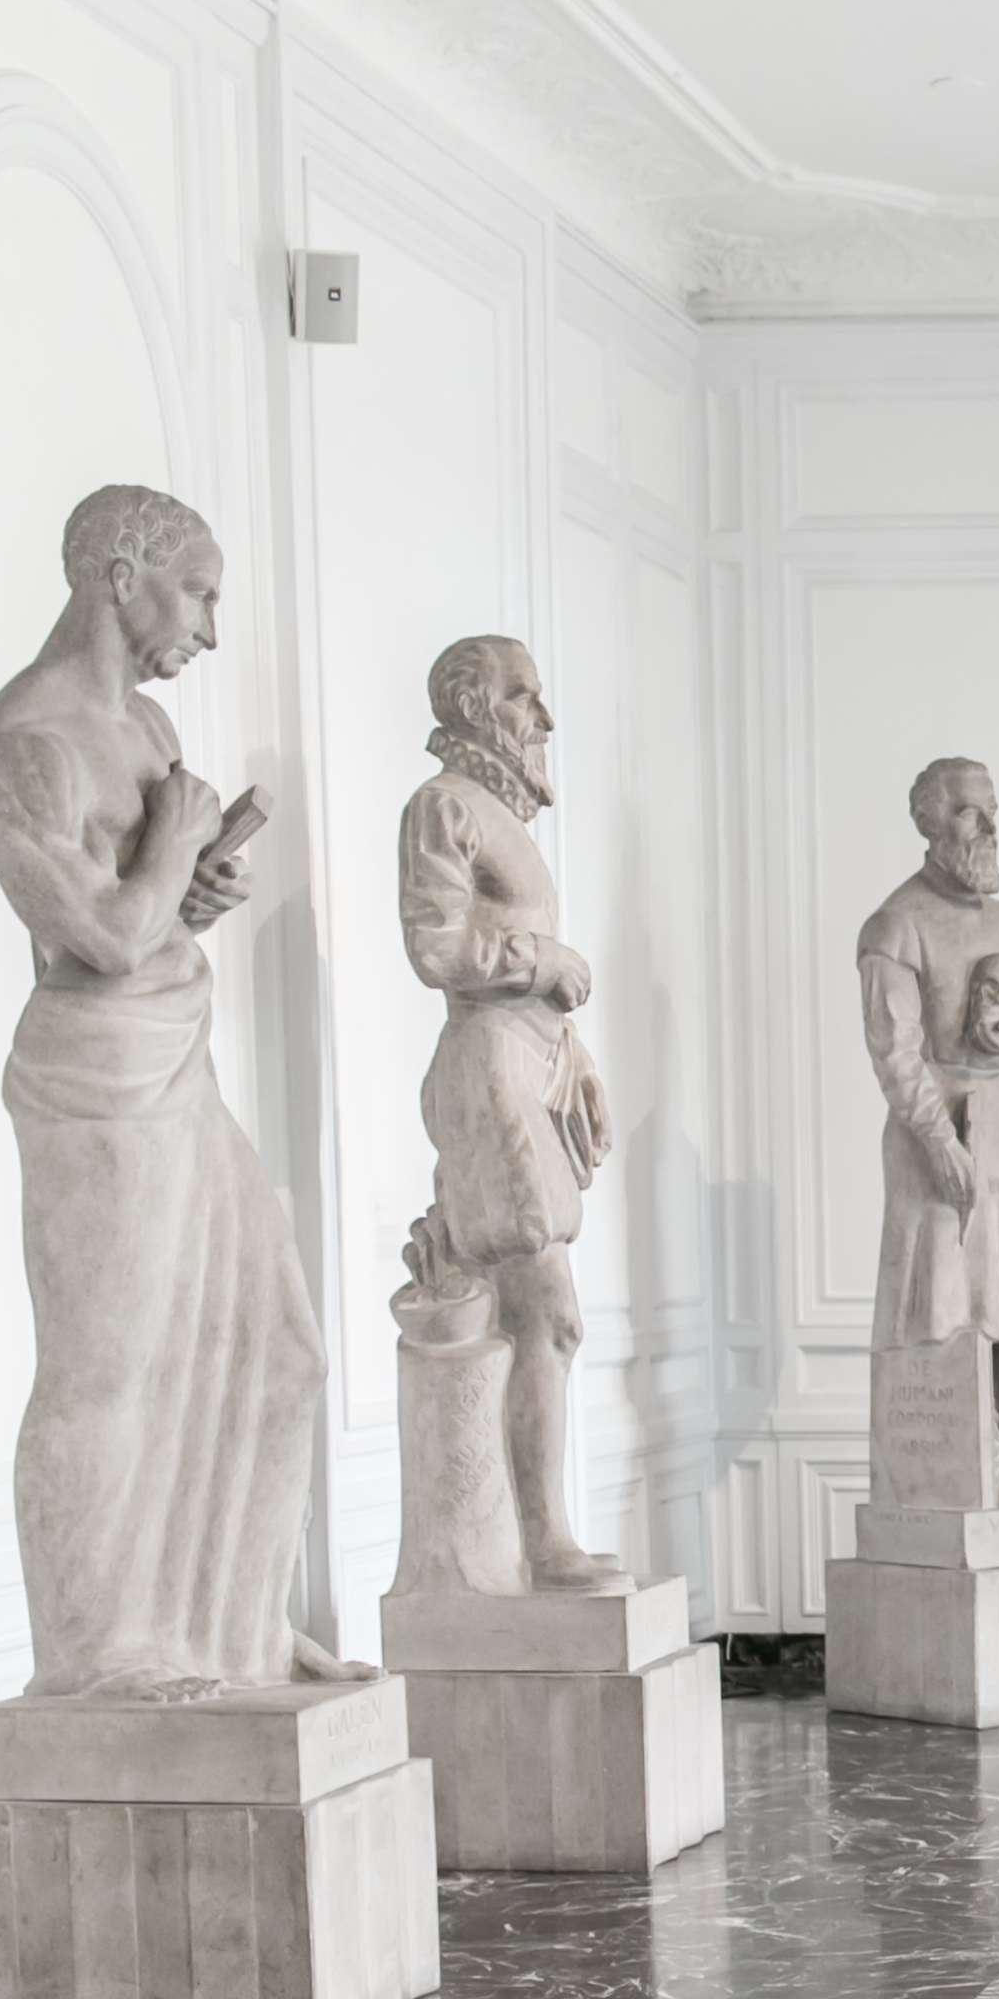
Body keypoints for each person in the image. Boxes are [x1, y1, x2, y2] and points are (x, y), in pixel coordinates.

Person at [0, 485, 366, 1696]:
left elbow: (147, 912)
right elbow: (93, 933)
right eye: (198, 591)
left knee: (280, 1347)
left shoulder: (144, 733)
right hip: (96, 1082)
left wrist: (190, 879)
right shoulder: (22, 745)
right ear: (119, 571)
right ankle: (91, 1659)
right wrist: (168, 860)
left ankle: (234, 1630)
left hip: (176, 1057)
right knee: (107, 1362)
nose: (207, 624)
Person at [397, 634, 627, 1592]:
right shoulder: (446, 806)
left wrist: (567, 1046)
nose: (544, 718)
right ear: (474, 706)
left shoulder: (494, 810)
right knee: (548, 1311)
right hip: (487, 1070)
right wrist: (546, 964)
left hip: (528, 1064)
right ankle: (540, 1541)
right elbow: (436, 948)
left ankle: (514, 1539)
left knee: (533, 1312)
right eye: (525, 696)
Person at [860, 759, 999, 1504]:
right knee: (939, 1307)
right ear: (929, 822)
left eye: (991, 810)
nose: (989, 827)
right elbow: (894, 1053)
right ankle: (938, 1478)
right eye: (968, 813)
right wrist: (939, 1143)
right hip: (932, 1135)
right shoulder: (897, 925)